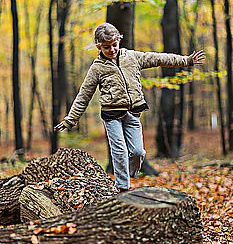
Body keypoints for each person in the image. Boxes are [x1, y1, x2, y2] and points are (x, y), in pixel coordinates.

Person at [54, 23, 205, 192]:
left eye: (114, 45)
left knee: (138, 152)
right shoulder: (97, 68)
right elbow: (84, 95)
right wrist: (70, 119)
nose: (111, 50)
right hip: (111, 116)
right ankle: (123, 187)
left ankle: (132, 173)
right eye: (106, 47)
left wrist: (187, 60)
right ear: (98, 46)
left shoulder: (132, 57)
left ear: (118, 40)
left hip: (133, 113)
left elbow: (159, 58)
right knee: (119, 151)